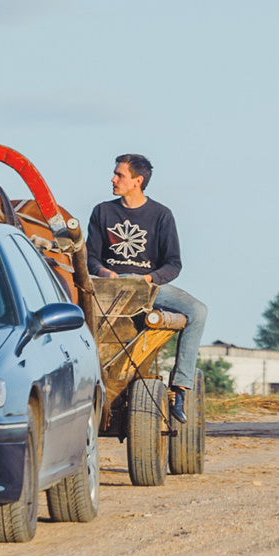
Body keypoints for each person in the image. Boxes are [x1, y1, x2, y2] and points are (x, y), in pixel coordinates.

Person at [86, 153, 207, 419]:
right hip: (109, 288)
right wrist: (104, 271)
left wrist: (148, 280)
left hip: (148, 287)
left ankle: (180, 388)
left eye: (120, 175)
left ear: (137, 181)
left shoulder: (161, 215)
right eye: (115, 173)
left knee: (198, 311)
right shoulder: (102, 211)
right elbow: (90, 257)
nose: (113, 179)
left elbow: (173, 264)